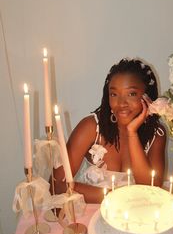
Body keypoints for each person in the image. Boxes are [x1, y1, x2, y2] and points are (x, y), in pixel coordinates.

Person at [53, 58, 166, 203]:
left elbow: (152, 189)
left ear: (147, 96)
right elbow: (57, 185)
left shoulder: (156, 135)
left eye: (131, 94)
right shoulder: (91, 128)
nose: (121, 104)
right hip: (89, 213)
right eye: (114, 94)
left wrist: (132, 133)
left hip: (134, 217)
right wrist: (114, 197)